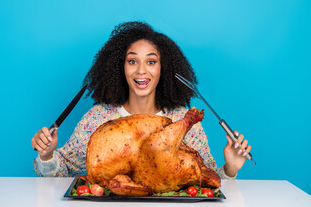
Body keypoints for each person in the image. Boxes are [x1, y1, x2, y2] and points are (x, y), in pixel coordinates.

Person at [31, 21, 252, 179]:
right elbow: (60, 174)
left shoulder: (182, 121)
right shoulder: (98, 118)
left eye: (151, 62)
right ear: (121, 68)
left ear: (163, 69)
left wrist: (230, 168)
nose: (141, 71)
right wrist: (47, 154)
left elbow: (206, 181)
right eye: (133, 61)